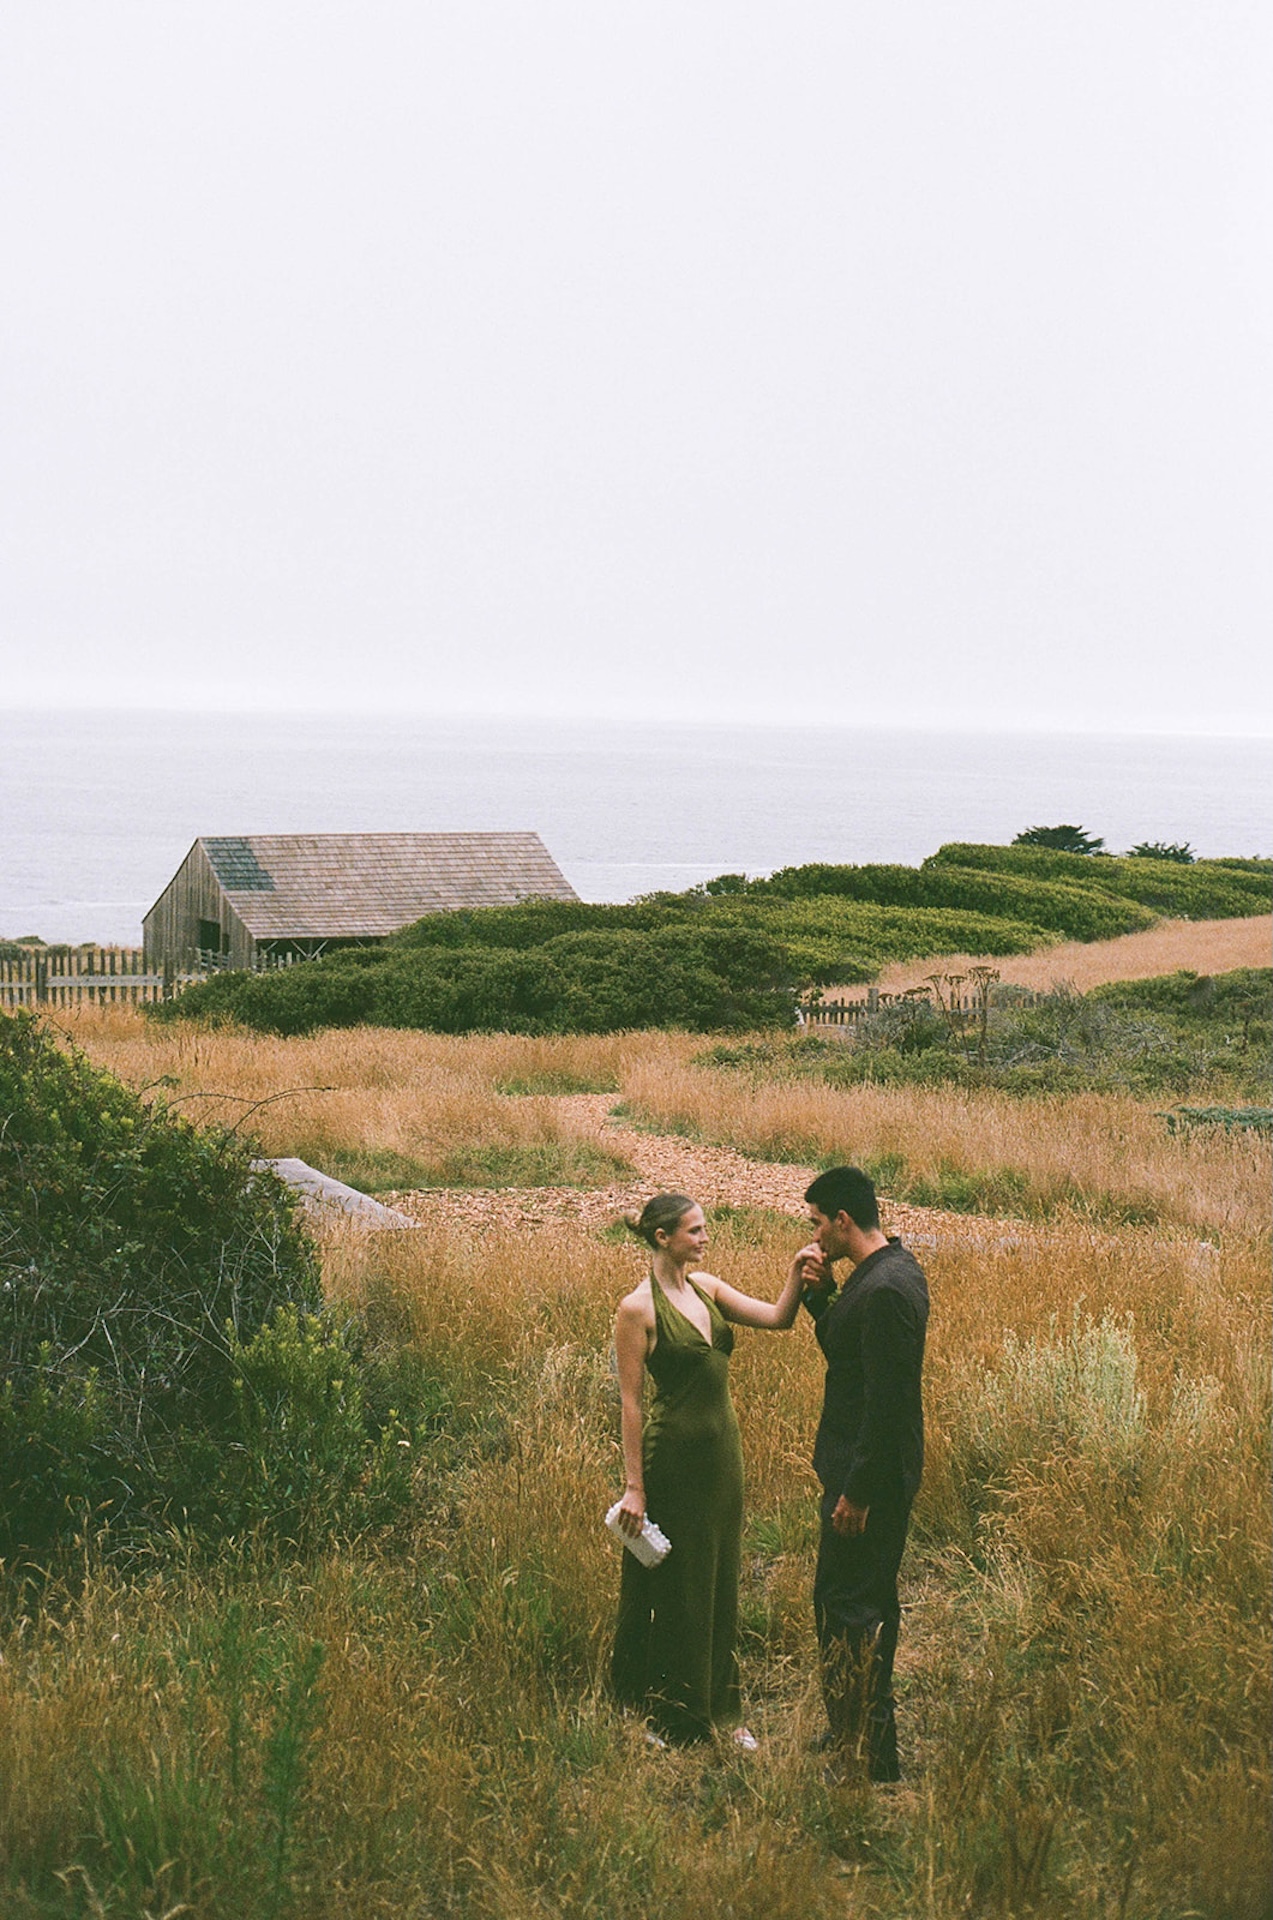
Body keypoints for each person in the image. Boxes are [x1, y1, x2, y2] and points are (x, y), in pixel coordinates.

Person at [610, 1192, 810, 1748]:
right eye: (694, 1231)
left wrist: (797, 1270)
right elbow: (631, 1403)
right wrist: (635, 1488)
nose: (704, 1238)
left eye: (704, 1229)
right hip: (672, 1459)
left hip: (723, 1457)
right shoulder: (636, 1310)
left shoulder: (710, 1289)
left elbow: (778, 1318)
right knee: (678, 1585)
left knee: (719, 1579)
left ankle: (720, 1708)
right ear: (663, 1238)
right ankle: (672, 1715)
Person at [796, 1165, 929, 1782]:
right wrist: (820, 1295)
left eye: (818, 1222)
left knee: (856, 1607)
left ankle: (874, 1755)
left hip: (867, 1479)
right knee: (843, 1601)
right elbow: (846, 1351)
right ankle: (850, 1725)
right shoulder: (877, 1276)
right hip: (859, 1471)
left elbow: (888, 1404)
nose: (815, 1233)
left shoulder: (886, 1291)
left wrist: (858, 1492)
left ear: (843, 1221)